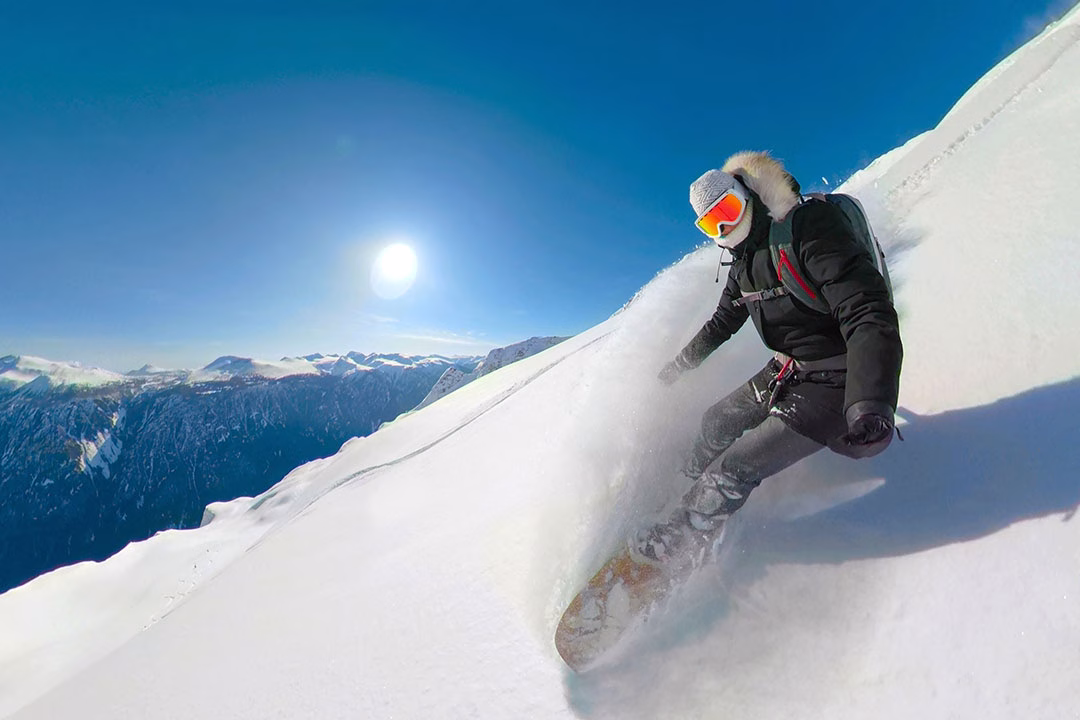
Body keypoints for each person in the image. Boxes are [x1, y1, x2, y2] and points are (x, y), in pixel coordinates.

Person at [634, 151, 903, 565]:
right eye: (710, 223)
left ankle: (677, 544)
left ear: (748, 195)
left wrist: (870, 401)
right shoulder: (743, 265)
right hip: (787, 368)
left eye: (727, 209)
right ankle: (680, 487)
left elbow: (866, 310)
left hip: (837, 381)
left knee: (734, 469)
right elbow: (721, 323)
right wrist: (678, 368)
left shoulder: (808, 229)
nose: (724, 226)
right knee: (715, 422)